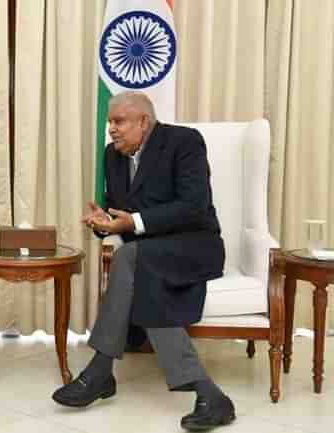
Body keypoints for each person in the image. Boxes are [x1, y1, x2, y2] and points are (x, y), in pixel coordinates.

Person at [51, 91, 235, 431]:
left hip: (193, 247)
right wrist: (103, 222)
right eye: (110, 123)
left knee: (130, 256)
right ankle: (208, 393)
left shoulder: (184, 142)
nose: (112, 131)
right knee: (135, 260)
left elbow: (194, 205)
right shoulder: (113, 156)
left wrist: (132, 223)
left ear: (143, 121)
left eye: (118, 122)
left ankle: (100, 372)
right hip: (146, 257)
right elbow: (116, 208)